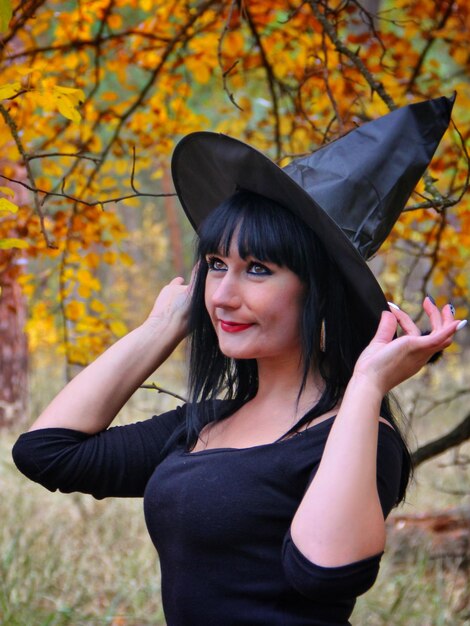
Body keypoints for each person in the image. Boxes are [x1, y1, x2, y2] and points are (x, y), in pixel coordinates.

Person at [13, 96, 466, 626]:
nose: (222, 294)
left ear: (321, 292)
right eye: (215, 264)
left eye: (257, 269)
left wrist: (366, 386)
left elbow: (323, 573)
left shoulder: (358, 437)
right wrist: (163, 326)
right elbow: (46, 454)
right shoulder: (205, 422)